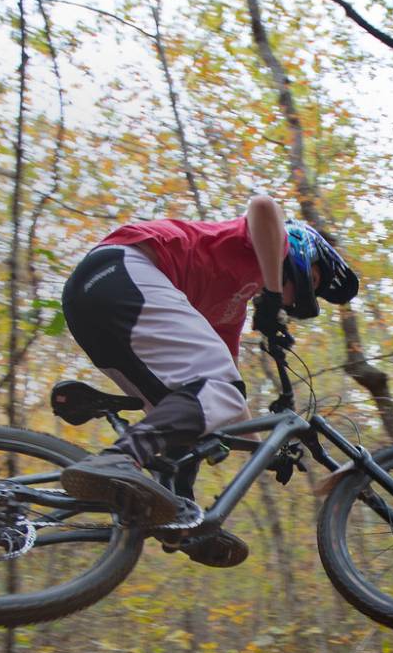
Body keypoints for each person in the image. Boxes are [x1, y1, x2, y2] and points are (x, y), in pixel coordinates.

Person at [57, 195, 359, 567]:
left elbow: (226, 398)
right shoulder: (264, 242)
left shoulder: (227, 309)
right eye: (309, 282)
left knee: (195, 414)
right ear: (299, 251)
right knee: (217, 391)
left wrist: (263, 452)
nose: (297, 299)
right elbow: (264, 206)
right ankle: (119, 458)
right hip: (124, 269)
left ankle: (175, 512)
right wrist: (272, 293)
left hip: (91, 305)